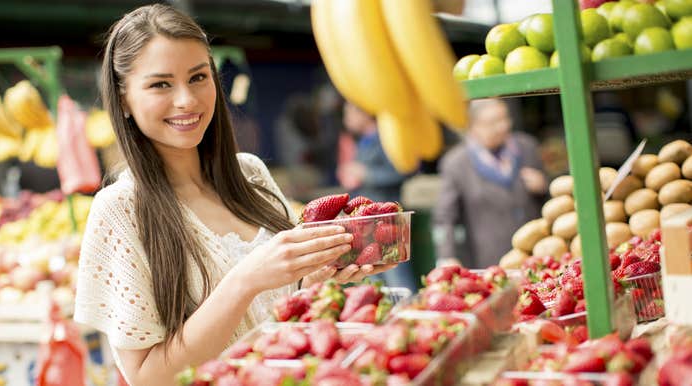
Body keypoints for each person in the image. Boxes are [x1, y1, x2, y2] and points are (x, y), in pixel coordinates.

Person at [73, 5, 395, 386]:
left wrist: (324, 276)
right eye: (161, 84)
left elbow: (281, 319)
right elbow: (148, 378)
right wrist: (245, 281)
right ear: (124, 99)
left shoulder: (251, 174)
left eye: (197, 77)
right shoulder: (120, 210)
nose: (187, 100)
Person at [435, 98, 547, 269]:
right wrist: (446, 256)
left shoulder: (526, 146)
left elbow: (553, 201)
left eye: (505, 119)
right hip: (490, 259)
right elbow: (445, 217)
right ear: (473, 127)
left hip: (536, 253)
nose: (503, 127)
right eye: (493, 122)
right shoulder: (456, 163)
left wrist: (543, 185)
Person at [337, 101, 418, 290]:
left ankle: (407, 315)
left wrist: (366, 174)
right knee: (374, 278)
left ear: (365, 113)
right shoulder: (361, 142)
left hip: (388, 220)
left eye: (349, 114)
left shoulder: (386, 139)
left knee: (396, 275)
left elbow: (403, 171)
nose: (346, 120)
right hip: (366, 222)